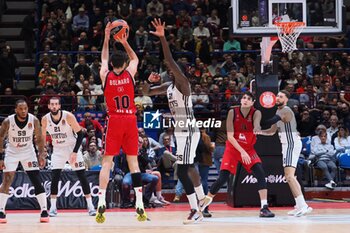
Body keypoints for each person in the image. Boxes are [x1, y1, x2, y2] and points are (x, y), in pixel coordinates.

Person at [142, 19, 207, 224]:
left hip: (188, 128)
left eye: (175, 69)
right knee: (187, 167)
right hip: (180, 131)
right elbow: (144, 92)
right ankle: (202, 199)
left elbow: (169, 60)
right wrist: (148, 80)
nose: (170, 70)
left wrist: (162, 38)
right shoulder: (169, 85)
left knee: (184, 168)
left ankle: (196, 208)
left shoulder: (184, 84)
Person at [96, 22, 147, 223]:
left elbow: (104, 57)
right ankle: (140, 202)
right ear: (124, 64)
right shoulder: (130, 73)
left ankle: (101, 200)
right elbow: (136, 58)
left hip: (114, 120)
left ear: (112, 66)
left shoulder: (105, 75)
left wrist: (107, 37)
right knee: (133, 163)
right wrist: (124, 43)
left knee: (107, 162)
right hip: (130, 120)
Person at [200, 92, 275, 218]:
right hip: (233, 148)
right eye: (244, 98)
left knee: (260, 173)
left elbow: (256, 123)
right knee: (222, 179)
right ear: (241, 100)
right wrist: (242, 152)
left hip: (248, 149)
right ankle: (204, 206)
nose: (245, 100)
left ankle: (264, 208)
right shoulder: (232, 112)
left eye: (249, 99)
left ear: (252, 102)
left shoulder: (256, 113)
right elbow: (230, 136)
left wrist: (257, 128)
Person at [258, 90, 313, 216]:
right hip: (287, 145)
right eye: (277, 96)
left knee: (289, 176)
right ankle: (300, 205)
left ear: (287, 99)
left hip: (291, 144)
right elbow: (271, 131)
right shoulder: (279, 111)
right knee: (291, 177)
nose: (277, 98)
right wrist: (259, 131)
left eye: (281, 96)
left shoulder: (286, 111)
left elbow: (270, 121)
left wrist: (257, 119)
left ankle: (303, 205)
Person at [41, 97, 96, 217]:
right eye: (52, 104)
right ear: (49, 106)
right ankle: (53, 208)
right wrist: (43, 150)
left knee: (81, 175)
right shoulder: (45, 119)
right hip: (58, 150)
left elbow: (81, 134)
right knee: (55, 176)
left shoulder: (68, 116)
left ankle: (91, 206)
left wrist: (75, 152)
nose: (54, 106)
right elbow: (42, 137)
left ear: (60, 106)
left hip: (72, 147)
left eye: (56, 104)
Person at [0, 99, 49, 223]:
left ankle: (44, 210)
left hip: (28, 152)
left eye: (25, 108)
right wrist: (0, 157)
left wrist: (41, 155)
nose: (23, 111)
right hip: (12, 152)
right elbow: (0, 138)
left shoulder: (34, 120)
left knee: (36, 180)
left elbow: (39, 139)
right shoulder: (8, 121)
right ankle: (1, 210)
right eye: (21, 109)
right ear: (16, 109)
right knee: (7, 179)